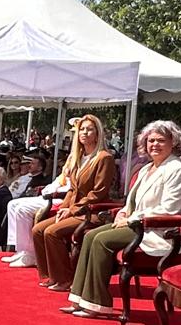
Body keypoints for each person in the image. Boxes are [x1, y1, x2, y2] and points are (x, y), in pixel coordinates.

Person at [65, 121, 181, 317]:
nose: (155, 145)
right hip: (136, 224)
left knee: (101, 241)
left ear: (173, 142)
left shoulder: (177, 169)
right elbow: (132, 201)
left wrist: (133, 219)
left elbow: (169, 209)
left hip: (158, 231)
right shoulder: (146, 168)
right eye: (151, 141)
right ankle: (79, 298)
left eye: (161, 140)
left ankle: (97, 303)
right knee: (89, 236)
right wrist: (124, 212)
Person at [30, 114, 119, 290]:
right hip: (74, 208)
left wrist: (72, 210)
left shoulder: (103, 158)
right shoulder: (79, 157)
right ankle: (50, 275)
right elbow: (73, 189)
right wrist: (64, 208)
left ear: (98, 133)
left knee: (52, 232)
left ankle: (66, 279)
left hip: (92, 211)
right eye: (82, 129)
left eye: (89, 129)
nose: (84, 133)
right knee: (38, 229)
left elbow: (98, 193)